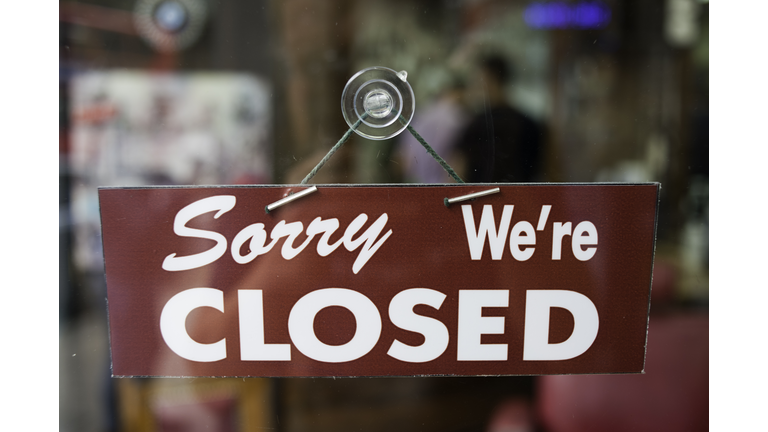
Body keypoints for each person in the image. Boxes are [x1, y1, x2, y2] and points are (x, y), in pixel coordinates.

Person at [456, 55, 543, 183]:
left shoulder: (477, 124)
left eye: (478, 80)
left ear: (491, 79)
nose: (475, 87)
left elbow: (457, 170)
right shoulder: (529, 123)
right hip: (520, 199)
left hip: (481, 199)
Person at [395, 76, 469, 183]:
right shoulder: (458, 118)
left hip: (418, 184)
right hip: (445, 186)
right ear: (459, 92)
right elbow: (459, 160)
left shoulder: (421, 114)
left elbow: (403, 160)